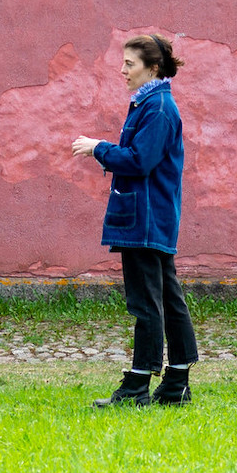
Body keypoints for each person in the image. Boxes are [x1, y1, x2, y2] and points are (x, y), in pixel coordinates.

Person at [71, 33, 198, 407]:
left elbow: (140, 160)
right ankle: (175, 381)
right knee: (168, 299)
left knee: (147, 303)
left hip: (145, 219)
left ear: (152, 68)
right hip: (150, 217)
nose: (122, 70)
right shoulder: (153, 104)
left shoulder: (157, 108)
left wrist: (99, 148)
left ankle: (138, 384)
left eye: (130, 64)